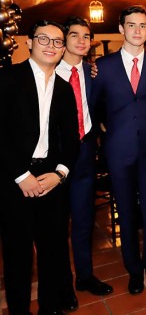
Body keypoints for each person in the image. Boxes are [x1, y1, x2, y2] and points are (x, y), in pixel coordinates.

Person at [0, 20, 80, 315]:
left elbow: (71, 139)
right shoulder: (8, 79)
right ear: (30, 43)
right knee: (17, 254)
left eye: (57, 42)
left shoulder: (64, 88)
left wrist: (60, 173)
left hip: (50, 178)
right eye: (44, 39)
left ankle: (50, 308)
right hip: (14, 178)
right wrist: (21, 175)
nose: (51, 46)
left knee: (53, 251)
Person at [91, 5, 146, 295]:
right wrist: (106, 133)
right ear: (121, 29)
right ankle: (134, 270)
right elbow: (94, 106)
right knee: (125, 211)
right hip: (118, 149)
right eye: (131, 25)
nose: (137, 30)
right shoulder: (103, 67)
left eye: (143, 25)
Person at [56, 17, 114, 309]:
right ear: (63, 39)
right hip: (54, 160)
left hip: (85, 155)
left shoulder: (93, 74)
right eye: (75, 35)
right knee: (55, 226)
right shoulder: (49, 71)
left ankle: (85, 276)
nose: (81, 41)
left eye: (86, 36)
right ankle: (62, 285)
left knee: (83, 221)